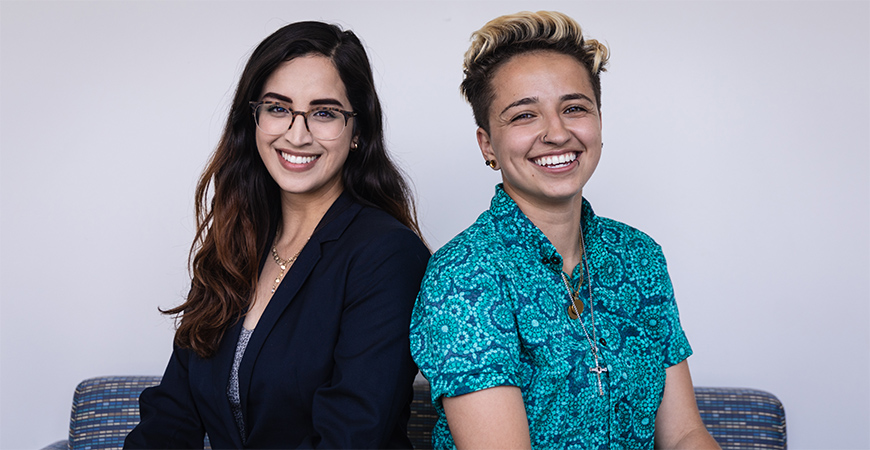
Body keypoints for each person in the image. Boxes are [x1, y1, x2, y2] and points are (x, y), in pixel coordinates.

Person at [410, 11, 720, 449]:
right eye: (523, 116)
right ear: (487, 145)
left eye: (574, 108)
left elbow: (685, 433)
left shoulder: (638, 255)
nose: (557, 133)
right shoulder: (464, 275)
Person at [124, 21, 430, 449]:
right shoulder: (234, 243)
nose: (297, 134)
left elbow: (350, 438)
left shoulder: (387, 255)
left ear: (358, 131)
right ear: (253, 119)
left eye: (324, 113)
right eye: (278, 108)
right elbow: (173, 413)